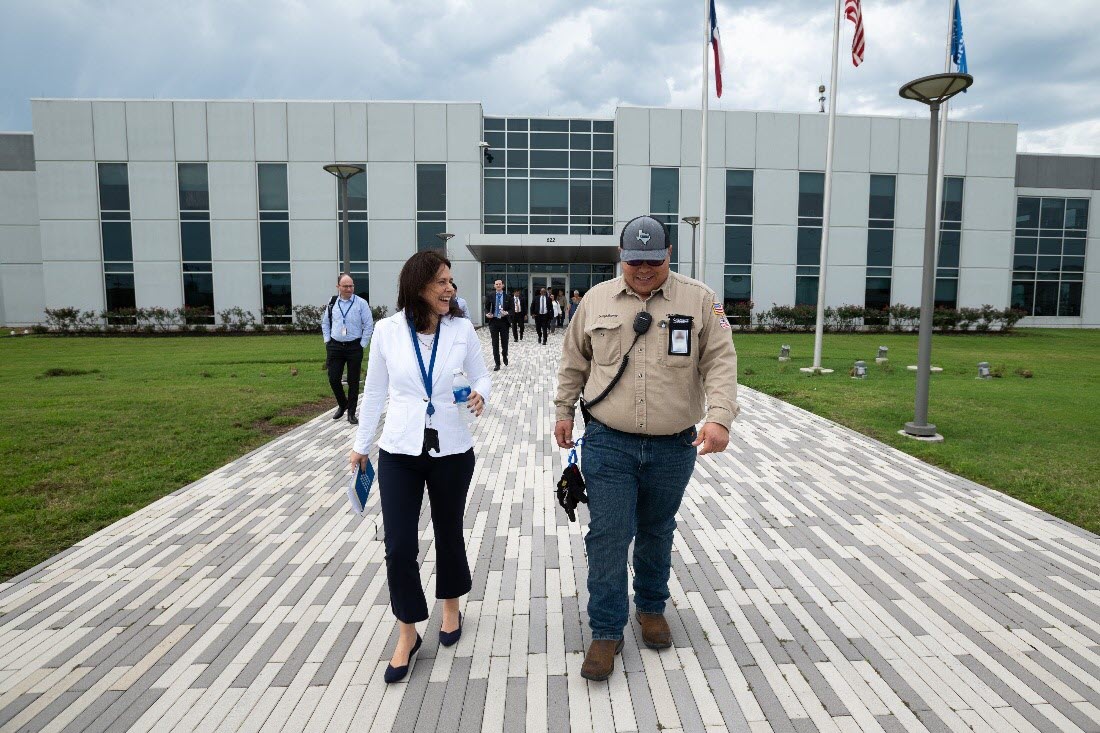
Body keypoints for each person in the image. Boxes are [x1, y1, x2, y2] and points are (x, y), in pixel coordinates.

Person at [553, 214, 739, 682]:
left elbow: (720, 360)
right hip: (608, 443)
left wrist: (718, 417)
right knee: (609, 534)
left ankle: (652, 608)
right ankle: (606, 630)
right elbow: (573, 361)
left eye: (652, 262)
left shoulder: (699, 301)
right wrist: (562, 411)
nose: (642, 271)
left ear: (668, 255)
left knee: (657, 529)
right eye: (633, 262)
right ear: (621, 257)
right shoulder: (595, 301)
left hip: (673, 446)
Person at [349, 250, 491, 684]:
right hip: (399, 450)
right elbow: (374, 393)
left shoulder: (462, 329)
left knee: (449, 532)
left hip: (451, 446)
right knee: (398, 545)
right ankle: (407, 631)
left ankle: (451, 604)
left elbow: (483, 375)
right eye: (442, 282)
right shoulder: (389, 332)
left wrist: (482, 394)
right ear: (418, 287)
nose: (450, 289)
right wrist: (361, 445)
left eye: (452, 282)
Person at [321, 273, 375, 424]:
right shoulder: (332, 302)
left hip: (354, 347)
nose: (349, 289)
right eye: (345, 286)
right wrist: (327, 341)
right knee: (333, 378)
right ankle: (342, 403)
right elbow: (325, 323)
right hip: (335, 346)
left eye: (351, 286)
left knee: (353, 381)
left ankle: (351, 412)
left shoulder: (361, 303)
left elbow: (369, 324)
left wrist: (362, 344)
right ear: (338, 287)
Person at [483, 278, 511, 371]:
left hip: (504, 322)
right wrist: (487, 314)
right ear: (494, 286)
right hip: (493, 322)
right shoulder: (490, 296)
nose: (498, 285)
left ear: (503, 285)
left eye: (500, 284)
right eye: (496, 284)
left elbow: (512, 310)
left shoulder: (508, 297)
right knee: (495, 343)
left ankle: (504, 355)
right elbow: (486, 308)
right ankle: (497, 363)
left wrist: (506, 313)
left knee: (505, 342)